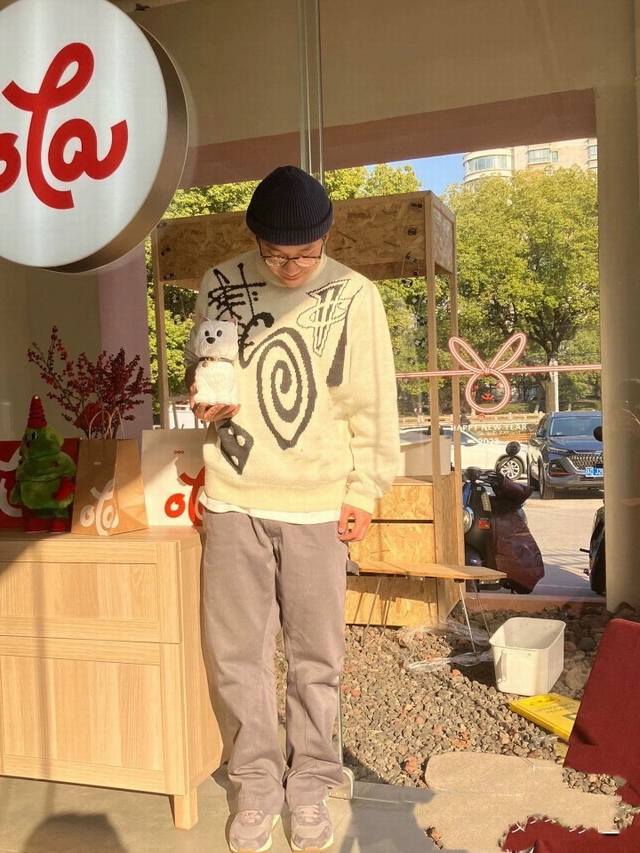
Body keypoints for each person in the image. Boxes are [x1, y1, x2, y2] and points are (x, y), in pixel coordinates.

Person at [184, 165, 400, 853]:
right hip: (233, 497)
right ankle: (254, 786)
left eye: (304, 254)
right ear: (255, 240)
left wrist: (366, 489)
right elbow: (206, 364)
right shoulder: (222, 282)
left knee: (316, 657)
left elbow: (374, 399)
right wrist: (203, 396)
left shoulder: (354, 294)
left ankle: (310, 785)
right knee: (236, 656)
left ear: (326, 237)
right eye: (276, 255)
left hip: (317, 503)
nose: (291, 268)